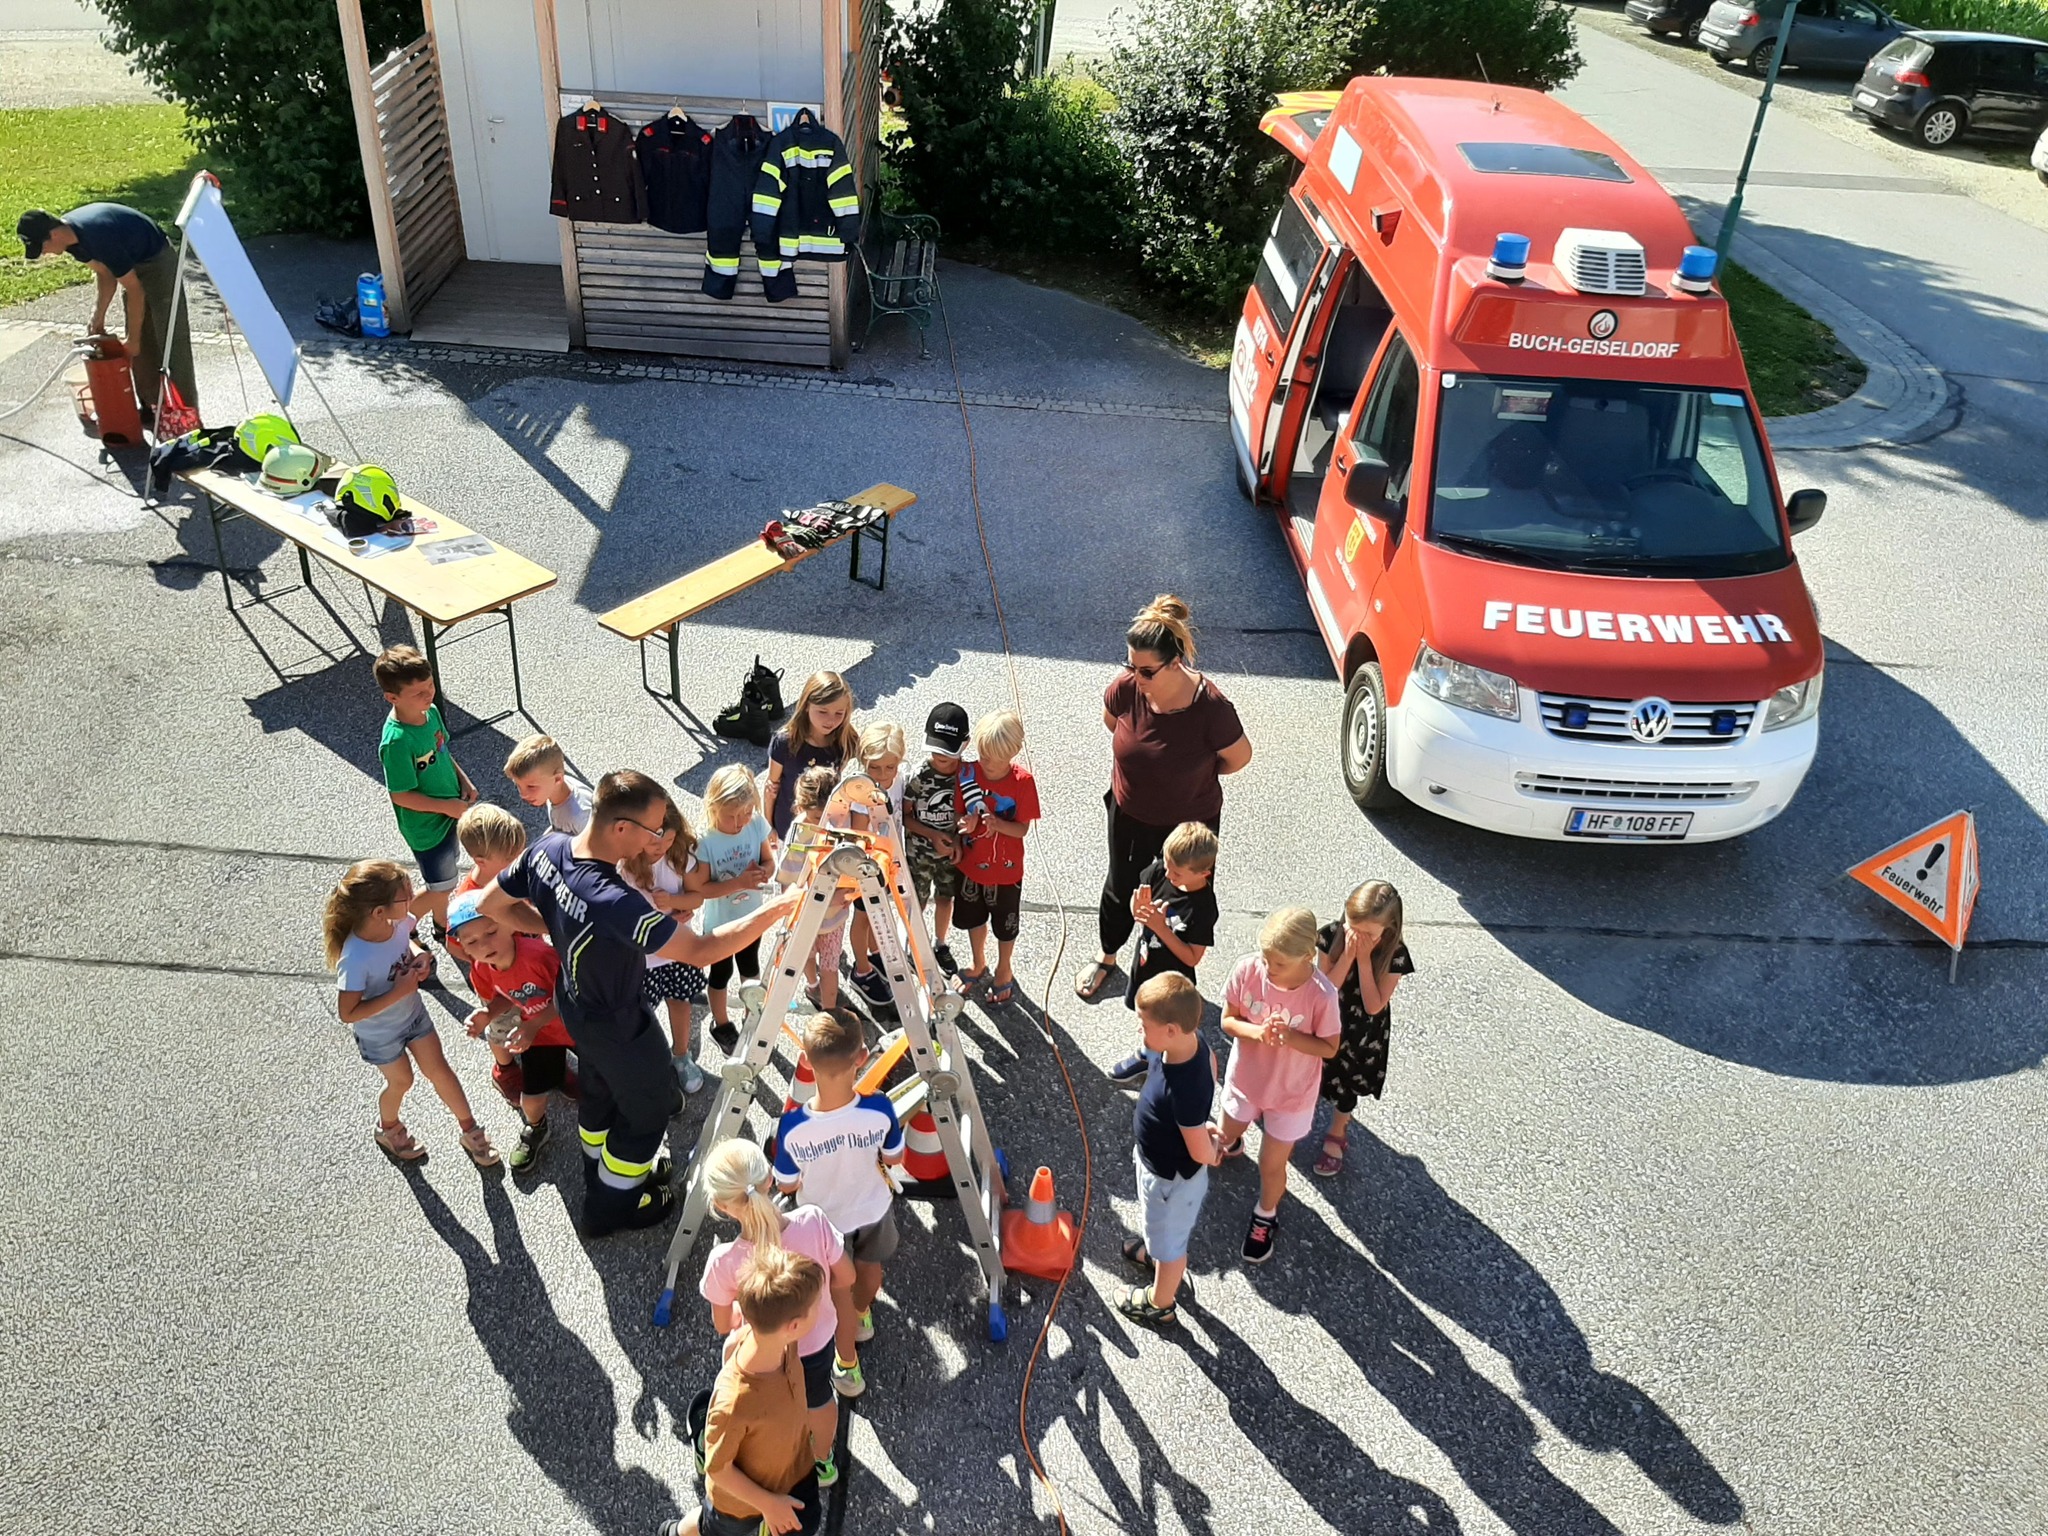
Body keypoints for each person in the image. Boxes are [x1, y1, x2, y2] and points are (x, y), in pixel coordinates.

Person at [476, 771, 801, 1236]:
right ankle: (610, 1206)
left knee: (599, 1087)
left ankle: (600, 1167)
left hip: (574, 1002)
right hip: (617, 1021)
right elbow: (704, 950)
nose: (660, 838)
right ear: (621, 828)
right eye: (653, 830)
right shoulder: (615, 901)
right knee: (648, 1113)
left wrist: (557, 925)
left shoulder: (548, 849)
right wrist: (781, 906)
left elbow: (492, 903)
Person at [1077, 595, 1251, 1003]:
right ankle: (1107, 958)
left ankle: (1172, 980)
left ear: (1175, 664)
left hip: (1189, 826)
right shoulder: (1126, 688)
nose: (1135, 676)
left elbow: (1238, 758)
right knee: (1121, 886)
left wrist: (1190, 779)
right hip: (1130, 813)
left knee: (1183, 897)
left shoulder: (1211, 708)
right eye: (1130, 666)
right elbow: (1112, 721)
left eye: (1146, 671)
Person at [699, 1139, 857, 1489]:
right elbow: (847, 1277)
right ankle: (823, 1463)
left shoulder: (723, 1263)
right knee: (819, 1399)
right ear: (769, 1178)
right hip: (816, 1343)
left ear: (722, 1206)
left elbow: (723, 1324)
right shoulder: (813, 1221)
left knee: (774, 1411)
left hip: (766, 1359)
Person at [323, 859, 498, 1167]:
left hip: (413, 1017)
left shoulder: (398, 925)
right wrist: (398, 992)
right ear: (379, 912)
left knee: (439, 1070)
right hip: (380, 1035)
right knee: (402, 1082)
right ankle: (388, 1128)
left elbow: (408, 945)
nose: (413, 896)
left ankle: (470, 1130)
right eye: (405, 895)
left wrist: (422, 956)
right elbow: (348, 1013)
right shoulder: (354, 957)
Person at [773, 1009, 903, 1399]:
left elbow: (788, 1183)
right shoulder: (879, 1109)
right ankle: (864, 1315)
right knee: (870, 1270)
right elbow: (894, 1157)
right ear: (862, 1057)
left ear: (808, 1062)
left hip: (826, 1222)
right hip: (873, 1208)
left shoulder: (793, 1127)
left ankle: (847, 1366)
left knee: (836, 1295)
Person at [661, 1247, 828, 1536]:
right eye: (817, 1305)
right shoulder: (735, 1401)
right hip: (739, 1506)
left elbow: (737, 1335)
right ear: (794, 1326)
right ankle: (674, 1532)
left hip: (794, 1469)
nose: (821, 1308)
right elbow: (718, 1470)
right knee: (711, 1528)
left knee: (807, 1524)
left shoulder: (780, 1339)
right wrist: (769, 1505)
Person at [1216, 907, 1341, 1265]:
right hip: (1246, 1081)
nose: (1269, 968)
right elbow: (1228, 1019)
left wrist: (1290, 1037)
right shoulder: (1247, 969)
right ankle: (1232, 1144)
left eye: (1279, 963)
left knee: (1271, 1165)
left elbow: (1329, 1047)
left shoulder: (1322, 995)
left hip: (1290, 1096)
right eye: (1265, 958)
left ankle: (1265, 1214)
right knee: (1226, 1135)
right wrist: (1257, 1032)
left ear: (1307, 956)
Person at [18, 203, 197, 416]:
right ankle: (152, 407)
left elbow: (135, 292)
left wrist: (132, 340)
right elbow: (105, 274)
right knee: (141, 342)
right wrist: (97, 318)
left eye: (42, 247)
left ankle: (188, 414)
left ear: (54, 233)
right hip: (129, 263)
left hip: (157, 261)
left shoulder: (98, 236)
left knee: (170, 337)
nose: (44, 253)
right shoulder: (72, 241)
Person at [446, 890, 574, 1174]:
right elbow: (504, 991)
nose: (484, 945)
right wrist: (487, 1013)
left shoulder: (540, 956)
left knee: (607, 1077)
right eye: (472, 941)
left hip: (577, 1025)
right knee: (532, 1097)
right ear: (463, 948)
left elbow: (569, 996)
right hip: (543, 1036)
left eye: (491, 931)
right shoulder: (481, 969)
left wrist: (532, 1024)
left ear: (512, 924)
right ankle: (536, 1128)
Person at [1119, 973, 1220, 1326]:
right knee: (1163, 1234)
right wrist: (1202, 1126)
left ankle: (1159, 1302)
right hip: (1160, 1166)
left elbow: (1201, 1154)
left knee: (1171, 1248)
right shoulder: (1194, 1043)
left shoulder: (1184, 1089)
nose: (1140, 1031)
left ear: (1172, 1030)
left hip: (1169, 1181)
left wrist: (1211, 1146)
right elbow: (1213, 1067)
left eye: (1145, 1024)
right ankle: (1157, 1254)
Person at [373, 645, 477, 937]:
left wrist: (463, 781)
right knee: (441, 887)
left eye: (430, 685)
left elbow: (442, 752)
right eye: (418, 692)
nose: (429, 694)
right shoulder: (397, 742)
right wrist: (447, 807)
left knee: (442, 884)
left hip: (449, 813)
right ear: (392, 698)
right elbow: (401, 795)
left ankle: (442, 927)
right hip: (427, 828)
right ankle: (398, 928)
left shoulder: (429, 712)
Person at [1107, 821, 1221, 1083]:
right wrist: (1137, 909)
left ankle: (1165, 1064)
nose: (1168, 874)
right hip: (1147, 965)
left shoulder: (1203, 908)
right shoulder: (1160, 871)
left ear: (1203, 873)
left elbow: (1193, 957)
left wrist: (1160, 927)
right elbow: (1139, 898)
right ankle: (1150, 1055)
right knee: (1147, 1015)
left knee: (1169, 1025)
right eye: (1167, 864)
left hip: (1172, 983)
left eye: (1177, 873)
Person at [1313, 881, 1412, 1179]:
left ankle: (1338, 1129)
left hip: (1362, 1030)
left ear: (1390, 927)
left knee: (1347, 1079)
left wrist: (1365, 960)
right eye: (1351, 926)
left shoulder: (1395, 954)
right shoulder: (1332, 935)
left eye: (1368, 933)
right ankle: (1296, 1114)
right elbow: (1324, 988)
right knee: (1313, 1068)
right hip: (1328, 1015)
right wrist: (1347, 955)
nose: (1357, 936)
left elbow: (1373, 1005)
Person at [622, 798, 709, 1094]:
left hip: (677, 948)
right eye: (653, 842)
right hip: (641, 957)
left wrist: (674, 903)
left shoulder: (679, 858)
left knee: (680, 1001)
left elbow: (696, 897)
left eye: (668, 840)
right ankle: (647, 1062)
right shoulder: (624, 866)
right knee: (641, 1013)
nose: (660, 848)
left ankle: (681, 1055)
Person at [953, 709, 1038, 1006]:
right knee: (973, 918)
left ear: (1012, 753)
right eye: (982, 754)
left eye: (992, 758)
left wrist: (997, 824)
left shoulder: (1022, 782)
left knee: (1006, 924)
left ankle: (1004, 968)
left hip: (1007, 872)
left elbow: (1022, 829)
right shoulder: (967, 774)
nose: (984, 762)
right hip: (971, 867)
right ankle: (978, 962)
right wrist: (967, 823)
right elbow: (958, 813)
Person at [693, 764, 779, 1036]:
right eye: (732, 816)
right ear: (714, 806)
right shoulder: (706, 841)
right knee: (720, 975)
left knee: (750, 969)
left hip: (751, 918)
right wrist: (739, 883)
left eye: (746, 812)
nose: (740, 821)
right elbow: (702, 889)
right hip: (720, 924)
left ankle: (751, 1018)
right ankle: (721, 1023)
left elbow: (770, 860)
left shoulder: (755, 824)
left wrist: (765, 871)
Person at [840, 720, 908, 1013]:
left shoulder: (899, 779)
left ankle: (875, 951)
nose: (881, 775)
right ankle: (862, 969)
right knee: (864, 917)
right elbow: (860, 836)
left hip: (888, 861)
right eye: (874, 768)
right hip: (868, 867)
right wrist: (866, 870)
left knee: (875, 914)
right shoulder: (861, 792)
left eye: (889, 768)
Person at [902, 702, 969, 974]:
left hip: (950, 856)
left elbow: (971, 814)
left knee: (945, 899)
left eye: (948, 751)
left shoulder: (967, 776)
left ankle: (941, 944)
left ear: (965, 744)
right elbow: (905, 818)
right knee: (916, 901)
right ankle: (913, 944)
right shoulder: (919, 775)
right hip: (919, 855)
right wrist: (933, 834)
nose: (941, 756)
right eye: (936, 749)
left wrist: (958, 842)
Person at [773, 767, 843, 1010]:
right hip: (806, 915)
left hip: (834, 916)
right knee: (807, 955)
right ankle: (813, 985)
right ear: (801, 808)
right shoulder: (799, 834)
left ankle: (830, 1010)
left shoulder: (842, 824)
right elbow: (789, 881)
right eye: (817, 818)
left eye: (829, 815)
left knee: (831, 965)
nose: (825, 823)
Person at [763, 671, 858, 839]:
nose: (831, 720)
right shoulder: (785, 741)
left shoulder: (845, 741)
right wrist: (769, 826)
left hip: (825, 829)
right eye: (823, 711)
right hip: (788, 828)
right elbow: (772, 787)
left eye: (839, 713)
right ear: (807, 705)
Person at [504, 734, 593, 833]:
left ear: (557, 779)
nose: (523, 794)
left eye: (531, 786)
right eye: (518, 785)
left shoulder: (580, 816)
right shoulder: (553, 789)